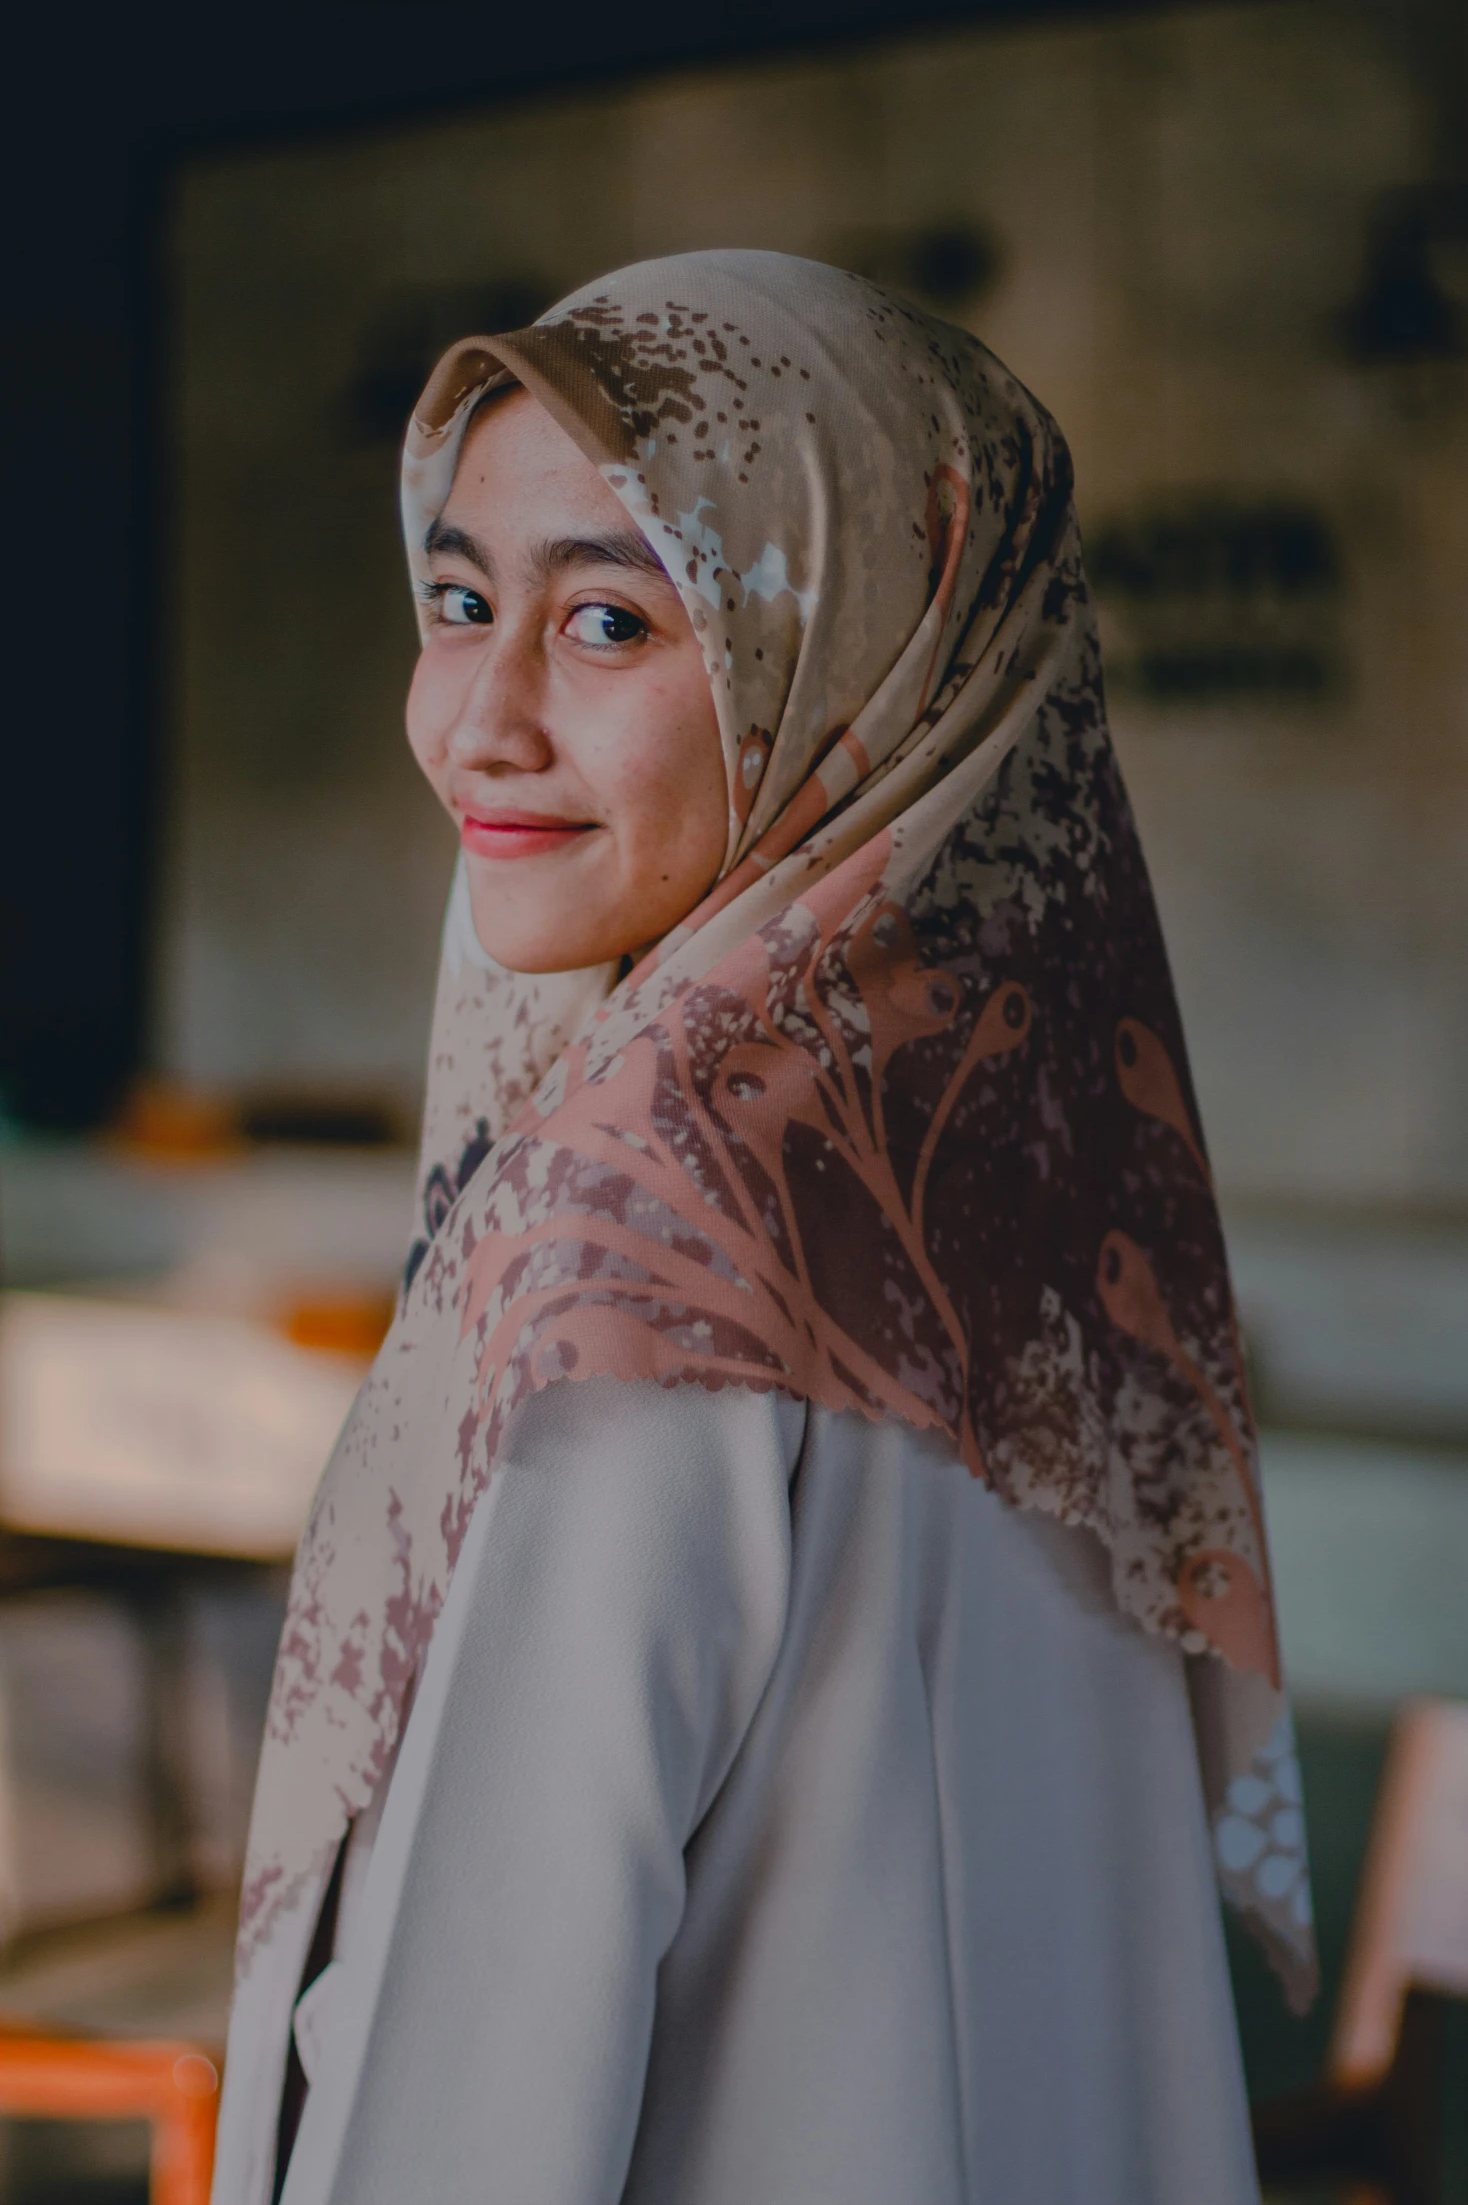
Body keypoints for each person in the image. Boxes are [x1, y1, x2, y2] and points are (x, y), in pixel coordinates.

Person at [213, 249, 1315, 2205]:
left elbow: (473, 2068)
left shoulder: (649, 1230)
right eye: (460, 599)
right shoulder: (1017, 1151)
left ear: (866, 649)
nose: (480, 718)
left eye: (612, 619)